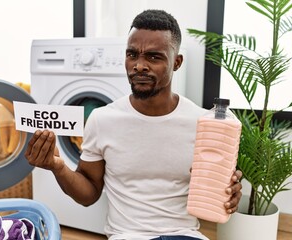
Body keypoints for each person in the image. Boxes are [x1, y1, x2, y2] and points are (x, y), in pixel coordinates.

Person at [25, 9, 242, 240]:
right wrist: (58, 167)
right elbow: (89, 194)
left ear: (177, 62)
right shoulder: (102, 119)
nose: (139, 65)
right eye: (132, 55)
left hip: (184, 234)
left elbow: (214, 194)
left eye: (153, 57)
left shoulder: (202, 124)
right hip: (127, 236)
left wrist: (227, 195)